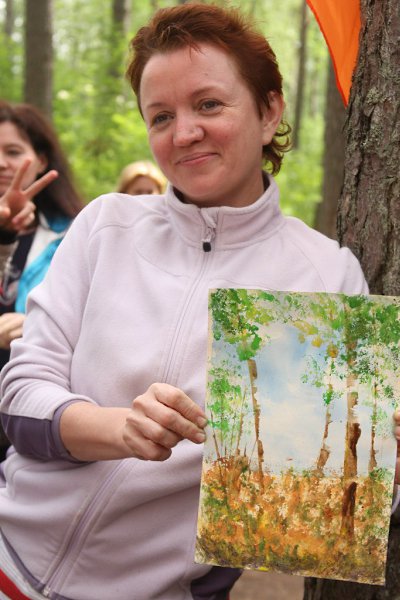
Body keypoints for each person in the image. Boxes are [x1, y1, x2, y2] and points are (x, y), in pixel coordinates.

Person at [0, 4, 399, 600]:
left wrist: (374, 466)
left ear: (269, 111)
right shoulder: (107, 225)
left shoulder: (323, 273)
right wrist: (121, 428)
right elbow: (20, 394)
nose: (184, 133)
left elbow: (331, 500)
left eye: (209, 104)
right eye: (161, 116)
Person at [0, 101, 84, 461]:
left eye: (13, 151)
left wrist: (36, 325)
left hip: (40, 416)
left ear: (42, 160)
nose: (2, 163)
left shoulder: (79, 234)